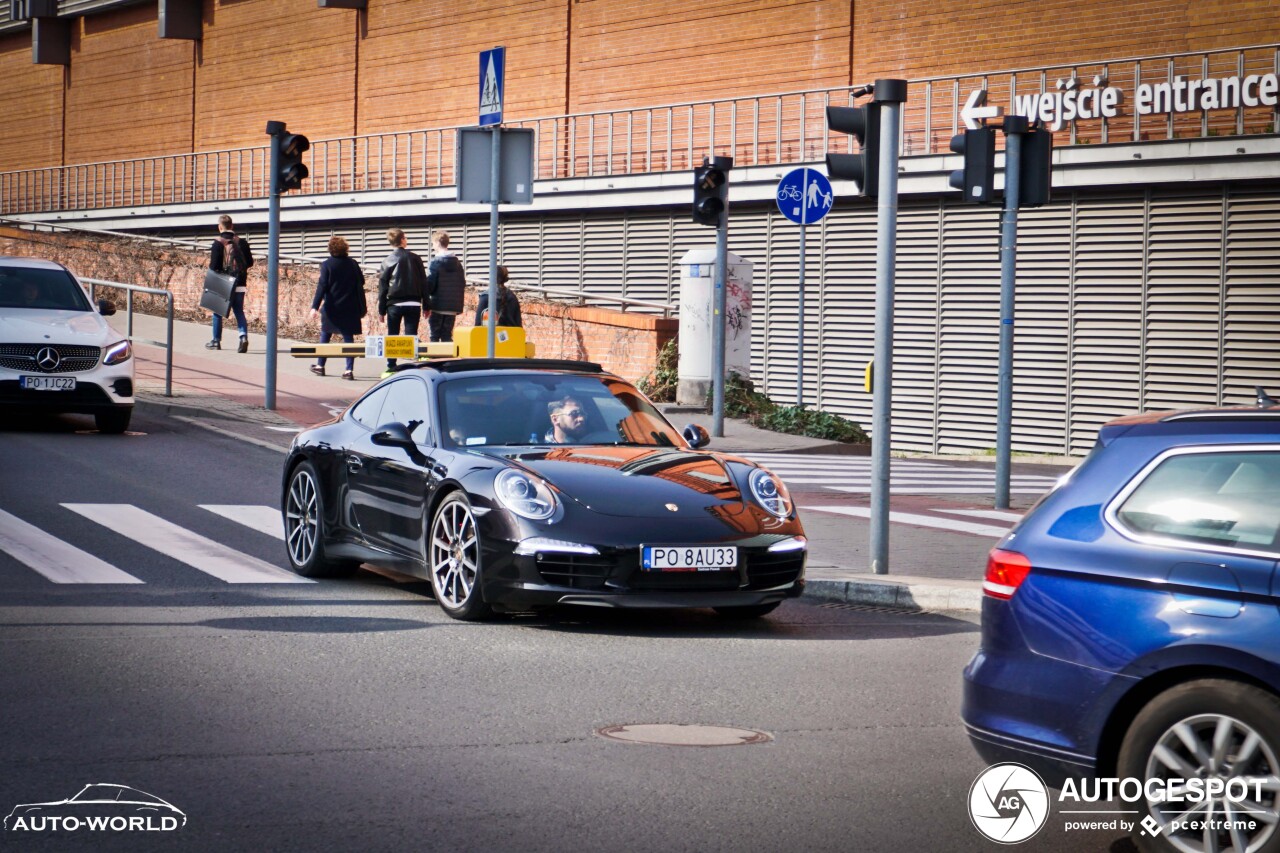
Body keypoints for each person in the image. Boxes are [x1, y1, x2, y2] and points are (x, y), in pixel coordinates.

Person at [310, 236, 367, 380]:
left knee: (325, 335)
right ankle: (348, 370)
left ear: (330, 249)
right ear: (345, 248)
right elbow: (362, 281)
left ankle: (320, 366)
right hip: (350, 306)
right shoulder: (353, 264)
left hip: (332, 307)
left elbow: (322, 286)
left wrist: (315, 307)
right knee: (348, 338)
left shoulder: (327, 265)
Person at [376, 227, 428, 375]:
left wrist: (381, 310)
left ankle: (391, 365)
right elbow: (424, 282)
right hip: (414, 302)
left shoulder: (387, 261)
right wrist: (426, 305)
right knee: (411, 335)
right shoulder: (415, 258)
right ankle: (414, 367)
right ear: (402, 239)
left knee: (393, 335)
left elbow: (383, 288)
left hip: (394, 303)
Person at [206, 214, 254, 352]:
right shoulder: (242, 242)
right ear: (232, 226)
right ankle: (243, 337)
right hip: (240, 282)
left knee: (217, 311)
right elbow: (250, 262)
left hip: (223, 282)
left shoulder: (217, 243)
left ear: (219, 227)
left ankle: (216, 341)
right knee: (239, 310)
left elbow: (214, 266)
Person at [426, 230, 466, 343]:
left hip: (437, 306)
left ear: (438, 243)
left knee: (434, 336)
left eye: (433, 243)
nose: (433, 246)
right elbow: (462, 283)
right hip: (452, 307)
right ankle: (447, 360)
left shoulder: (434, 263)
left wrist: (426, 299)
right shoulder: (458, 264)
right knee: (447, 337)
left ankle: (433, 360)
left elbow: (430, 285)